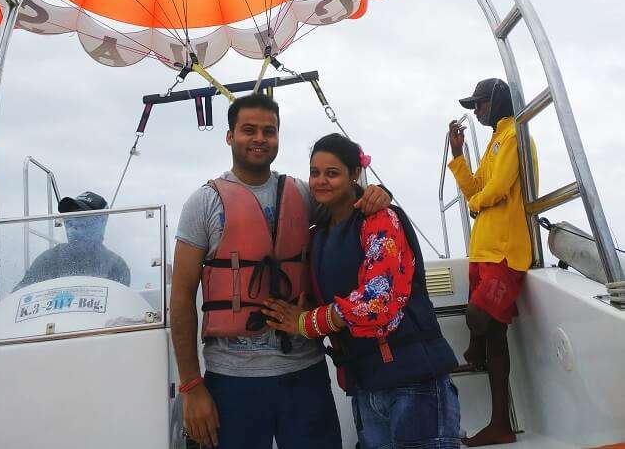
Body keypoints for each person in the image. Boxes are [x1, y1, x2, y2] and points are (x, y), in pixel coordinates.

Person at [170, 93, 392, 449]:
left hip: (304, 374)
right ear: (229, 136)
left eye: (269, 131)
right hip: (231, 378)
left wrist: (379, 192)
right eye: (248, 130)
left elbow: (353, 206)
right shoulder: (203, 203)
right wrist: (192, 387)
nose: (259, 139)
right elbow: (180, 298)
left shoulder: (303, 195)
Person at [264, 133, 461, 449]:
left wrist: (306, 323)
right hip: (366, 386)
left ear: (355, 173)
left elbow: (378, 301)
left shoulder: (381, 219)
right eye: (315, 173)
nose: (321, 181)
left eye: (332, 173)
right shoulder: (318, 237)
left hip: (413, 383)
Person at [448, 78, 538, 447]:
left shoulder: (515, 135)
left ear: (498, 100)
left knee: (477, 317)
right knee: (493, 332)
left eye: (480, 104)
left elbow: (498, 188)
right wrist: (457, 155)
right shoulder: (494, 142)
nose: (476, 111)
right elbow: (475, 189)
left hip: (504, 251)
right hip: (483, 251)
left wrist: (474, 204)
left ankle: (476, 353)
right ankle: (499, 422)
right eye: (473, 106)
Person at [16, 191, 130, 290]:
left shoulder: (115, 265)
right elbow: (19, 294)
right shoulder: (49, 259)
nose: (73, 222)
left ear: (100, 221)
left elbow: (117, 306)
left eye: (81, 215)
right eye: (70, 214)